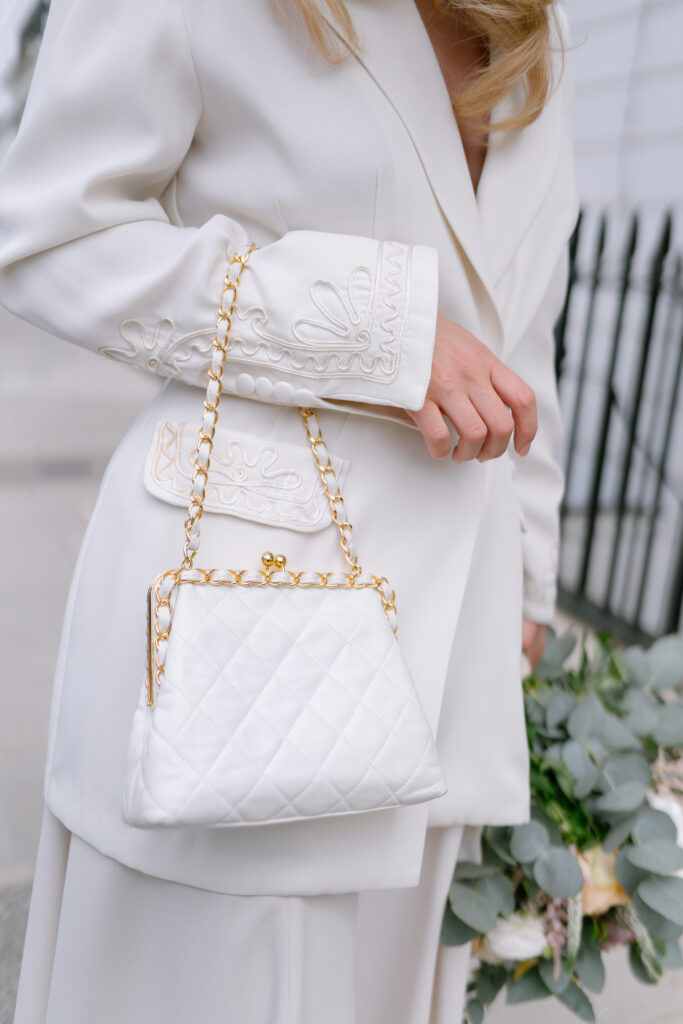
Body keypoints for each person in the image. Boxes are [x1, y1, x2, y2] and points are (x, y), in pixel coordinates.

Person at [0, 0, 577, 1021]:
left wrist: (528, 577)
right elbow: (47, 232)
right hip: (247, 643)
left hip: (450, 673)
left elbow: (518, 336)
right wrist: (374, 333)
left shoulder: (537, 28)